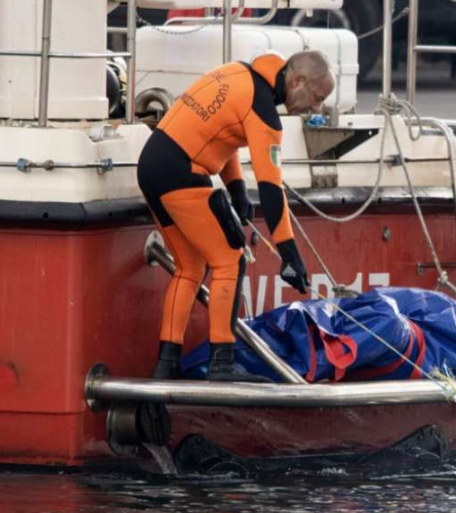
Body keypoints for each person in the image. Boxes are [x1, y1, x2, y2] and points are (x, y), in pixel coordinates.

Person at [137, 50, 335, 381]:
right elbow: (272, 189)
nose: (316, 109)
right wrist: (289, 254)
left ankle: (166, 363)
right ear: (297, 80)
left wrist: (237, 189)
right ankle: (222, 364)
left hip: (152, 165)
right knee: (230, 260)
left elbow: (220, 133)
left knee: (189, 268)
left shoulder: (238, 74)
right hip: (181, 172)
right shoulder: (264, 112)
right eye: (317, 98)